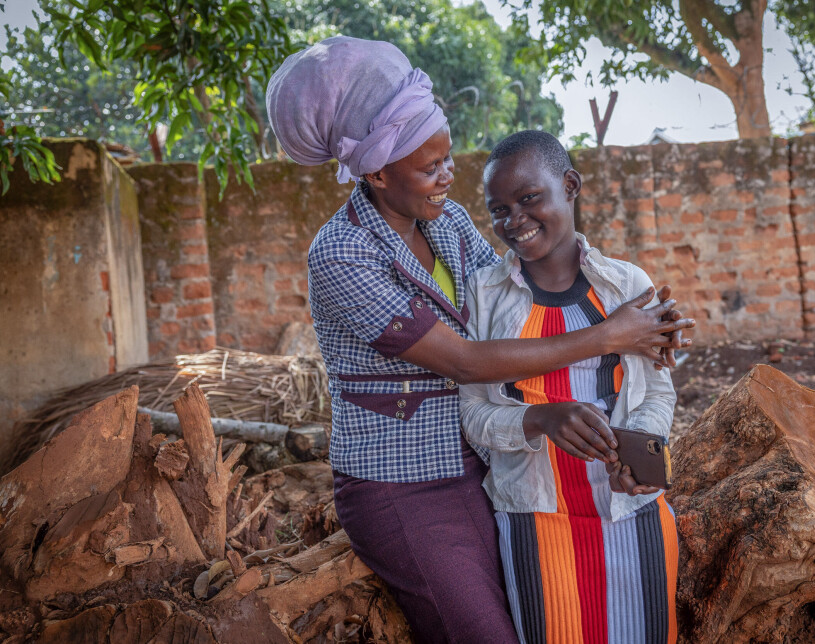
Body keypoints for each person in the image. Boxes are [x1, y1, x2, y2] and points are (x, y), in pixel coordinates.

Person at [266, 37, 694, 643]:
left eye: (447, 158)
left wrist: (649, 328)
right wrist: (609, 334)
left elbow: (514, 306)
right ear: (378, 173)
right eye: (430, 167)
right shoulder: (341, 253)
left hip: (485, 464)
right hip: (404, 485)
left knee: (549, 618)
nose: (448, 176)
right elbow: (465, 360)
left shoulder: (449, 222)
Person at [460, 130, 681, 644]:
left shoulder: (626, 286)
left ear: (570, 186)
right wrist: (539, 418)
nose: (514, 220)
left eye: (529, 198)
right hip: (536, 519)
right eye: (499, 210)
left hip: (631, 509)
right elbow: (472, 415)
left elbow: (657, 392)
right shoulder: (485, 296)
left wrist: (640, 458)